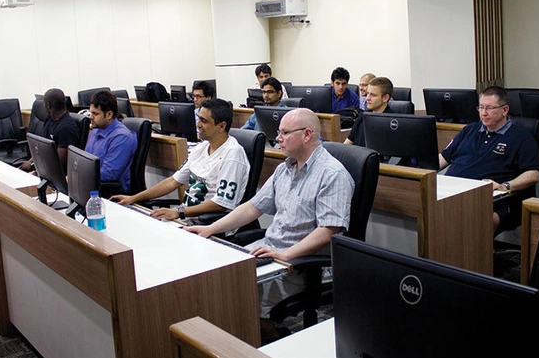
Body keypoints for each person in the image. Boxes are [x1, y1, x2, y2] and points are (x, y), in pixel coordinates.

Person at [185, 108, 354, 342]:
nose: (278, 138)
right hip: (270, 250)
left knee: (236, 296)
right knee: (218, 280)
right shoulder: (285, 168)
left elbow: (328, 231)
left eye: (284, 133)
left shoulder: (332, 174)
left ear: (306, 134)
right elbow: (252, 207)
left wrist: (285, 254)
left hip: (303, 265)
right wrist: (210, 229)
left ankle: (273, 338)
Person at [111, 98, 249, 220]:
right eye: (199, 118)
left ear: (222, 126)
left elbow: (221, 204)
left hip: (209, 225)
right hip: (187, 218)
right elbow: (172, 181)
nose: (198, 125)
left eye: (204, 121)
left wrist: (179, 211)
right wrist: (133, 198)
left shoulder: (232, 155)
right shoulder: (201, 148)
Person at [439, 86, 539, 234]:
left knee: (474, 220)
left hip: (492, 200)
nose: (483, 113)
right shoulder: (469, 130)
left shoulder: (521, 137)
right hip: (453, 193)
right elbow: (442, 158)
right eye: (480, 108)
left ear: (504, 110)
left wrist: (505, 186)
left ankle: (472, 256)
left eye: (489, 108)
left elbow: (533, 174)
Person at [85, 90, 137, 194]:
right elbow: (86, 161)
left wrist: (79, 176)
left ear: (109, 114)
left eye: (95, 114)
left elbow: (108, 174)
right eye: (91, 113)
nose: (91, 117)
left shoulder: (122, 137)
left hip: (111, 192)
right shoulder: (96, 131)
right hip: (92, 185)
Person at [19, 88, 79, 172]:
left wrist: (33, 166)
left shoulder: (66, 128)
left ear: (48, 105)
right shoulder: (49, 119)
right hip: (45, 168)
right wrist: (30, 161)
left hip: (58, 174)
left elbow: (58, 161)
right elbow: (43, 147)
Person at [345, 76, 394, 147]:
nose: (367, 98)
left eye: (373, 95)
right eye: (368, 93)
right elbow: (347, 143)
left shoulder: (393, 124)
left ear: (385, 98)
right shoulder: (362, 116)